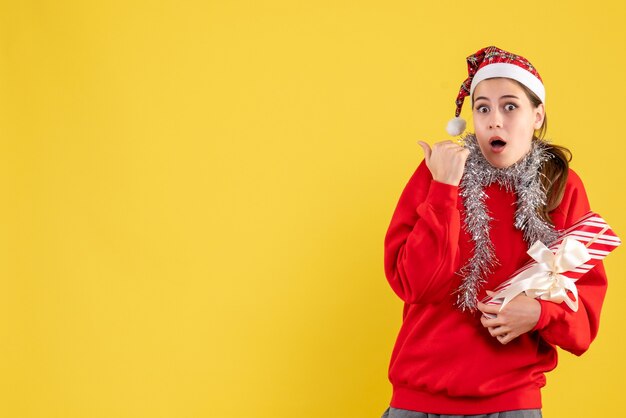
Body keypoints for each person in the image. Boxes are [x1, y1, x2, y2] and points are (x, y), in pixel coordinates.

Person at [380, 46, 608, 418]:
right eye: (482, 108)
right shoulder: (436, 174)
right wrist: (443, 190)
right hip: (416, 400)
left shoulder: (562, 187)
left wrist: (539, 314)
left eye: (510, 106)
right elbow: (415, 285)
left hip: (511, 403)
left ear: (538, 115)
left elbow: (584, 317)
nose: (494, 121)